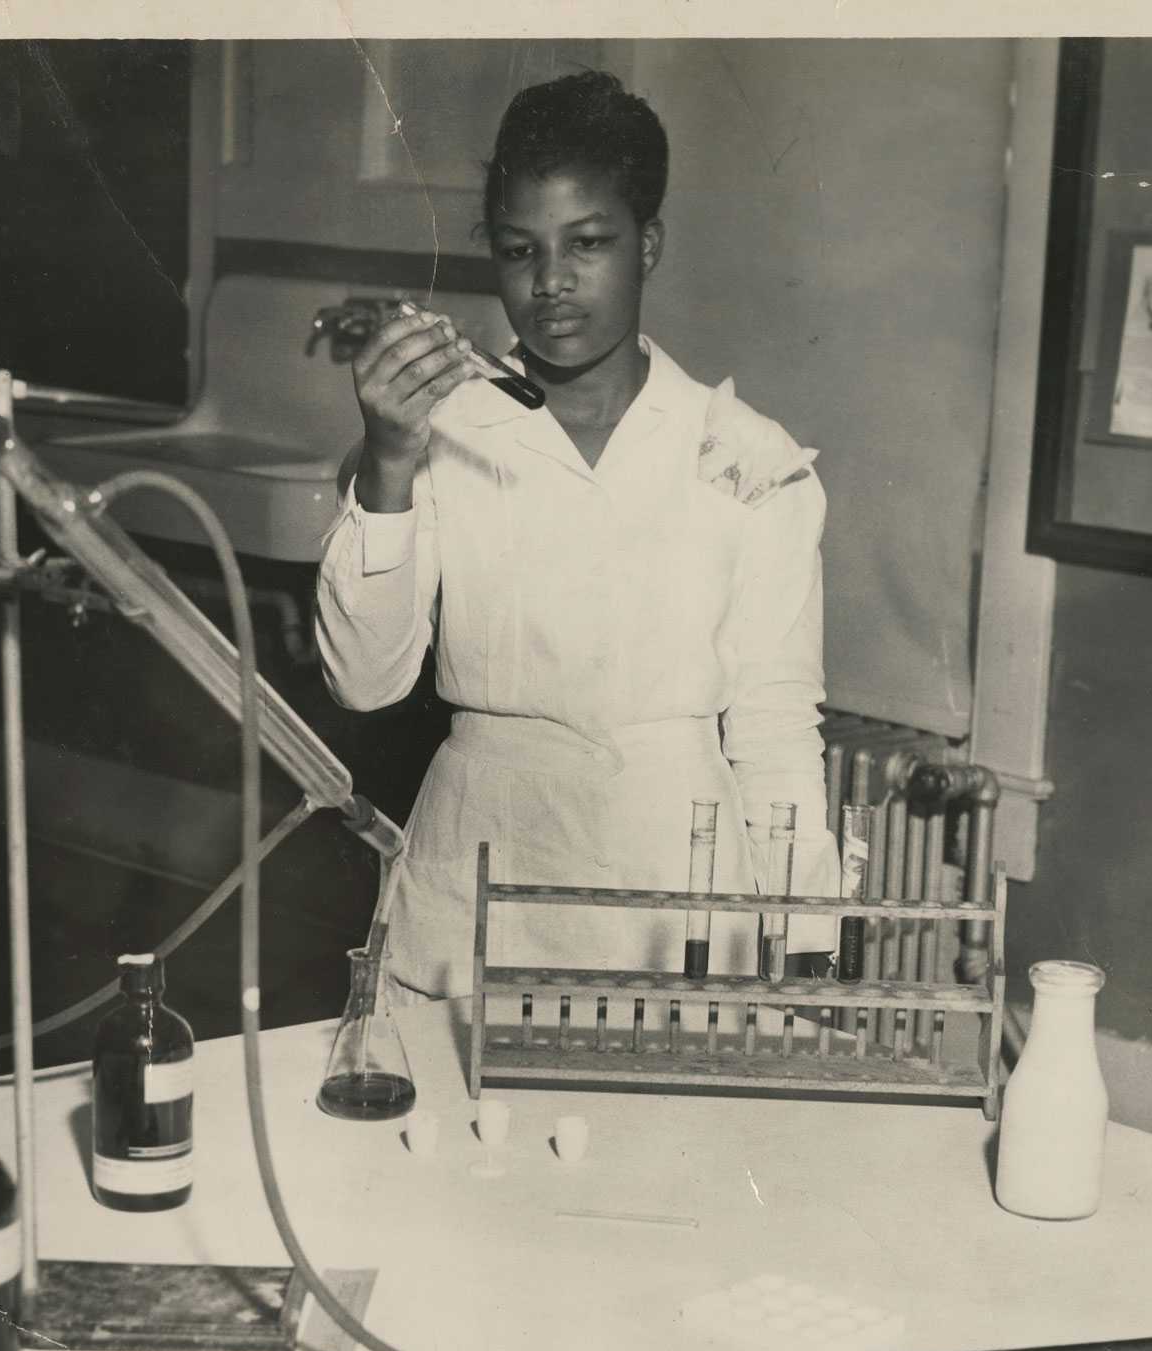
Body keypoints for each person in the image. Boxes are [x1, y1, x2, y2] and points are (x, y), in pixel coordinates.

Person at [316, 69, 838, 1000]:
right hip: (479, 859)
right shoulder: (441, 429)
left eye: (588, 243)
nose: (551, 283)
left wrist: (803, 944)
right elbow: (363, 682)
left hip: (674, 882)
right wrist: (388, 459)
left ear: (649, 245)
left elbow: (775, 727)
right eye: (520, 251)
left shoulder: (749, 459)